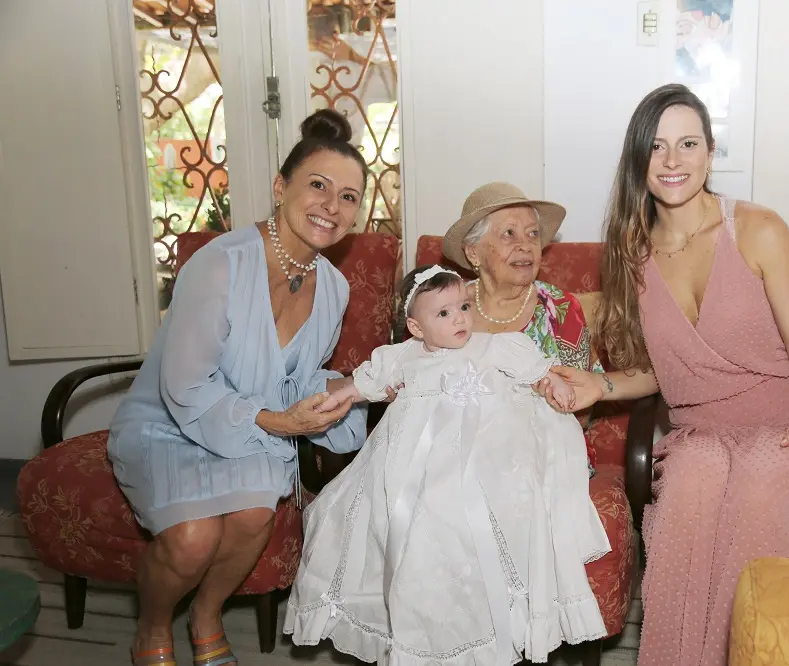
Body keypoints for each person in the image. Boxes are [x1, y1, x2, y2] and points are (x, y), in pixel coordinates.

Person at [541, 84, 789, 666]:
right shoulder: (631, 251)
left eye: (688, 144)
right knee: (687, 489)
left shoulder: (759, 230)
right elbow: (667, 368)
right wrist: (600, 385)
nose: (672, 160)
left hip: (786, 425)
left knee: (760, 490)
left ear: (709, 151)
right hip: (702, 434)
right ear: (637, 158)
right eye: (656, 146)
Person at [108, 109, 371, 666]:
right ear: (280, 187)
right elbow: (185, 385)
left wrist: (356, 387)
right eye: (318, 186)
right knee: (192, 538)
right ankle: (152, 628)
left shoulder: (334, 288)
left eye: (348, 197)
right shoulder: (220, 264)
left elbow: (297, 374)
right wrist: (278, 422)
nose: (332, 205)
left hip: (253, 425)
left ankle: (206, 616)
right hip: (170, 420)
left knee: (254, 517)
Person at [283, 265, 609, 665]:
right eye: (443, 313)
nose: (459, 319)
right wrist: (338, 398)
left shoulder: (492, 346)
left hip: (486, 453)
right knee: (389, 513)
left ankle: (496, 618)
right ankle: (427, 628)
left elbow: (538, 373)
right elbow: (360, 386)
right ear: (416, 328)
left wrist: (551, 382)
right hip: (414, 460)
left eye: (464, 307)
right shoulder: (401, 357)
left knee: (493, 501)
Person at [441, 181, 605, 474]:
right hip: (457, 454)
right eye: (509, 233)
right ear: (473, 252)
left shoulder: (560, 310)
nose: (525, 245)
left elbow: (581, 411)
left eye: (533, 234)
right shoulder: (445, 309)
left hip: (545, 454)